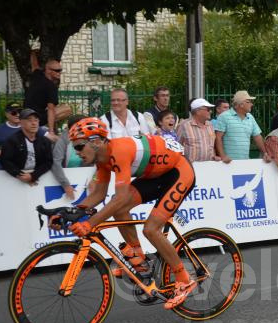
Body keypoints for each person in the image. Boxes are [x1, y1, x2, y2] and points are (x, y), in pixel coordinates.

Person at [62, 118, 197, 310]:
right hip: (156, 175)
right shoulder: (102, 161)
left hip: (179, 172)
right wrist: (72, 212)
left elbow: (119, 197)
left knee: (151, 229)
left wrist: (89, 223)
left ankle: (185, 279)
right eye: (75, 147)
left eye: (80, 146)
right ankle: (139, 260)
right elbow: (99, 195)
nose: (77, 152)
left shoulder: (119, 151)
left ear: (97, 142)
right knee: (120, 208)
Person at [0, 109, 53, 186]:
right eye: (29, 120)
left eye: (36, 120)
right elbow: (5, 160)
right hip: (14, 180)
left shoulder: (45, 141)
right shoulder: (12, 140)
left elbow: (49, 162)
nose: (34, 123)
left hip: (39, 179)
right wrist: (19, 175)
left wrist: (33, 175)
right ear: (21, 123)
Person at [215, 90, 269, 162]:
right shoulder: (224, 116)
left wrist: (265, 153)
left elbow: (257, 137)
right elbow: (218, 137)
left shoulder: (250, 117)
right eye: (249, 102)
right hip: (228, 163)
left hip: (244, 162)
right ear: (241, 104)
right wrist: (223, 156)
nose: (251, 104)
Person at [0, 102, 44, 170]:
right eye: (14, 113)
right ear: (6, 114)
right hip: (4, 163)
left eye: (20, 112)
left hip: (28, 162)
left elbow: (50, 138)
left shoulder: (32, 126)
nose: (17, 115)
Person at [51, 114, 91, 200]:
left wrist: (95, 179)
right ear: (72, 128)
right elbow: (55, 163)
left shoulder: (91, 137)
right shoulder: (62, 140)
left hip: (86, 180)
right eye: (82, 126)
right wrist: (66, 185)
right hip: (66, 180)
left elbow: (99, 162)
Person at [24, 57, 65, 137]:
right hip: (37, 118)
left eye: (60, 70)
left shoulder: (37, 75)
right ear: (49, 71)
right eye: (57, 71)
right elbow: (51, 109)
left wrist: (33, 53)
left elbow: (34, 65)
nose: (59, 73)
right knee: (67, 109)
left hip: (25, 114)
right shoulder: (51, 87)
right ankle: (44, 127)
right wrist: (51, 131)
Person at [176, 98, 219, 162]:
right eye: (208, 109)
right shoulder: (184, 125)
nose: (211, 111)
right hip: (191, 167)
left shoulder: (210, 125)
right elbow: (177, 147)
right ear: (198, 111)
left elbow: (211, 146)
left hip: (209, 166)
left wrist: (214, 156)